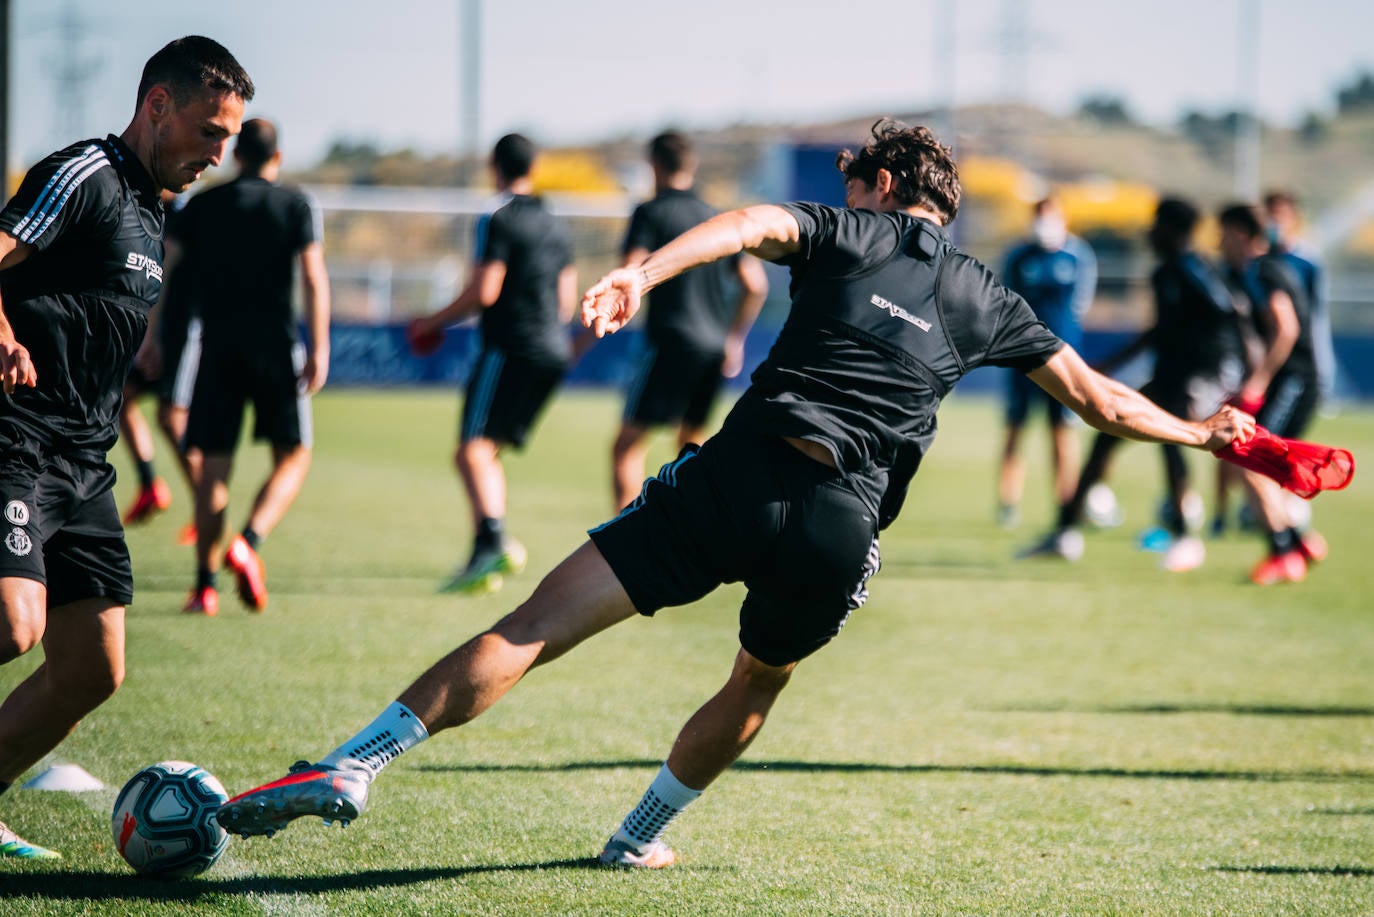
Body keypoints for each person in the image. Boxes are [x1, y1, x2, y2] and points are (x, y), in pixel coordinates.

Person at [218, 122, 1252, 869]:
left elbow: (746, 225)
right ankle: (637, 836)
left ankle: (358, 761)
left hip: (742, 472)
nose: (848, 191)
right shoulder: (990, 294)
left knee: (535, 622)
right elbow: (1103, 399)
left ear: (891, 183)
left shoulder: (847, 232)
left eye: (857, 177)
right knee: (758, 681)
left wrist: (642, 273)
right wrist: (1204, 432)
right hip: (843, 526)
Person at [0, 36, 252, 859]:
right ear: (158, 106)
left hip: (86, 461)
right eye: (211, 132)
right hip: (17, 436)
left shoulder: (156, 210)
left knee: (92, 670)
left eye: (230, 139)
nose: (219, 154)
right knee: (13, 623)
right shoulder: (85, 175)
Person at [1023, 197, 1246, 573]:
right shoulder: (1167, 273)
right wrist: (1111, 364)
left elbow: (1229, 310)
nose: (1151, 232)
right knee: (1108, 435)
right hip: (1170, 375)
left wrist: (1219, 367)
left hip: (1199, 376)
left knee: (1171, 440)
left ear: (1174, 230)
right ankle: (1065, 532)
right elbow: (1158, 332)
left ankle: (1186, 536)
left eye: (1158, 224)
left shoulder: (1194, 269)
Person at [408, 133, 577, 595]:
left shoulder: (496, 216)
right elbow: (566, 300)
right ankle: (484, 550)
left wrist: (432, 321)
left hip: (510, 347)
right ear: (535, 166)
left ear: (494, 166)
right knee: (488, 453)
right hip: (552, 350)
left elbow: (486, 291)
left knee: (472, 450)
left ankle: (494, 543)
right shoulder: (557, 223)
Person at [178, 119, 330, 616]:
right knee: (293, 456)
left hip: (216, 346)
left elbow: (167, 270)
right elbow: (312, 277)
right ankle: (248, 540)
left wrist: (156, 340)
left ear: (236, 155)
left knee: (212, 471)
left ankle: (204, 586)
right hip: (275, 346)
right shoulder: (295, 205)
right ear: (277, 158)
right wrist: (321, 347)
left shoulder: (201, 205)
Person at [610, 131, 769, 509]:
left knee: (627, 446)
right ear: (691, 165)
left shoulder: (650, 213)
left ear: (653, 165)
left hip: (670, 341)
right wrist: (734, 339)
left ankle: (625, 542)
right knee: (690, 448)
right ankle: (689, 536)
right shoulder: (715, 219)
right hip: (713, 347)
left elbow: (630, 270)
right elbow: (755, 285)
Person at [1215, 204, 1325, 585]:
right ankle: (1298, 543)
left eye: (1224, 233)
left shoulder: (1265, 269)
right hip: (1286, 380)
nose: (1218, 242)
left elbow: (1287, 328)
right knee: (1258, 463)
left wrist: (1258, 381)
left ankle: (1284, 554)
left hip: (1294, 380)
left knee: (1253, 462)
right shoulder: (1253, 272)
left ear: (1242, 235)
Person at [995, 196, 1097, 528]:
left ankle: (1067, 503)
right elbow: (1003, 299)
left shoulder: (1078, 255)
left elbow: (1080, 304)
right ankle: (1007, 503)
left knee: (1062, 433)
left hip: (1063, 358)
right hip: (1021, 358)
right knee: (1015, 429)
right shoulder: (1019, 255)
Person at [122, 190, 204, 545]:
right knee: (124, 398)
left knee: (171, 419)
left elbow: (168, 270)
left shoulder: (187, 212)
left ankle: (209, 508)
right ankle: (150, 483)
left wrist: (151, 333)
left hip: (182, 329)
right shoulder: (157, 208)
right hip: (157, 327)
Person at [1263, 191, 1334, 405]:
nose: (1276, 221)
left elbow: (1316, 315)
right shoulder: (1256, 259)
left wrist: (1322, 364)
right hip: (1262, 357)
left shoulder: (1307, 263)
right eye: (1270, 215)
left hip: (1294, 359)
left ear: (1294, 218)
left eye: (1281, 215)